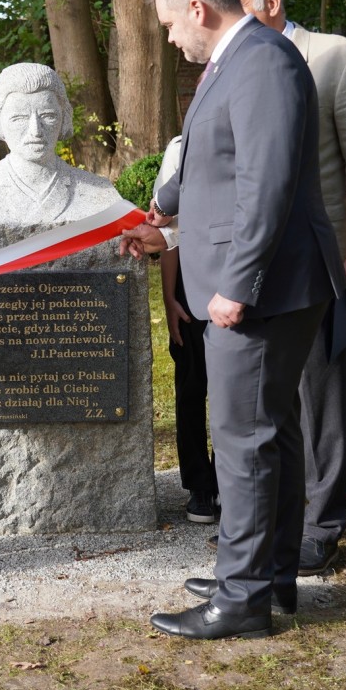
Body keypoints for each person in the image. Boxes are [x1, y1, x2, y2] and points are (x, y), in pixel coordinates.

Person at [121, 0, 344, 640]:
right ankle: (270, 574)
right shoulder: (232, 62)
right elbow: (211, 160)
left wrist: (234, 288)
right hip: (262, 285)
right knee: (270, 433)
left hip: (262, 291)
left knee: (245, 440)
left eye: (167, 26)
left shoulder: (264, 62)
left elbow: (266, 185)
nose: (168, 40)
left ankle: (240, 597)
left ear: (198, 9)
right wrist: (162, 206)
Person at [227, 0, 346, 576]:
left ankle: (321, 524)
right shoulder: (233, 60)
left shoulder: (333, 56)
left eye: (234, 0)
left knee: (318, 396)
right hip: (248, 261)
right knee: (266, 398)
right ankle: (267, 524)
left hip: (319, 262)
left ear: (270, 2)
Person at [0, 62, 122, 227]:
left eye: (48, 116)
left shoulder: (102, 196)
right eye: (19, 118)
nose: (35, 130)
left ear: (65, 119)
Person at [155, 136, 216, 525]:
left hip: (236, 281)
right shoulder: (180, 148)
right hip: (190, 288)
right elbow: (168, 229)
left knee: (237, 392)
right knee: (193, 387)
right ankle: (199, 486)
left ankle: (230, 480)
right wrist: (169, 298)